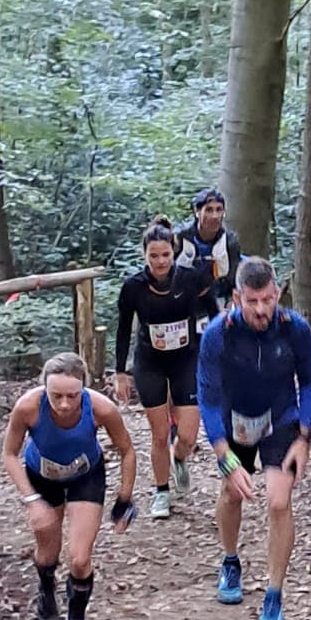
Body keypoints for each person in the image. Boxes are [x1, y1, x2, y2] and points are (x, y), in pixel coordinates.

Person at [197, 257, 311, 620]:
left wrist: (304, 436)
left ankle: (274, 593)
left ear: (277, 293)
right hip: (235, 418)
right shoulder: (218, 333)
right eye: (252, 301)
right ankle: (230, 560)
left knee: (279, 501)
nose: (261, 309)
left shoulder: (295, 328)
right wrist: (223, 454)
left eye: (268, 299)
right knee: (232, 494)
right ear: (237, 297)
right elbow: (208, 395)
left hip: (280, 418)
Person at [2, 351, 137, 620]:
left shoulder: (102, 409)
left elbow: (127, 450)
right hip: (41, 477)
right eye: (56, 396)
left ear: (85, 390)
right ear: (44, 389)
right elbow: (9, 454)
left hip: (84, 476)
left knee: (78, 558)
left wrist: (124, 499)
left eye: (72, 396)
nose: (64, 404)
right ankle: (46, 586)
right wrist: (32, 501)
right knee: (48, 551)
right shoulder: (28, 407)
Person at [115, 219, 215, 519]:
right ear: (144, 255)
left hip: (186, 357)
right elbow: (122, 329)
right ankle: (161, 492)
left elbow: (214, 312)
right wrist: (120, 372)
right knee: (159, 434)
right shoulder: (133, 287)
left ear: (174, 252)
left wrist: (218, 348)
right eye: (153, 256)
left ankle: (180, 458)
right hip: (150, 361)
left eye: (165, 255)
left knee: (187, 435)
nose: (160, 262)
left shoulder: (190, 278)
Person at [174, 187, 243, 327]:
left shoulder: (229, 242)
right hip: (182, 302)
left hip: (217, 302)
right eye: (209, 210)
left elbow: (234, 281)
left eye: (219, 210)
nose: (215, 216)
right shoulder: (180, 238)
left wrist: (230, 306)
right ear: (197, 211)